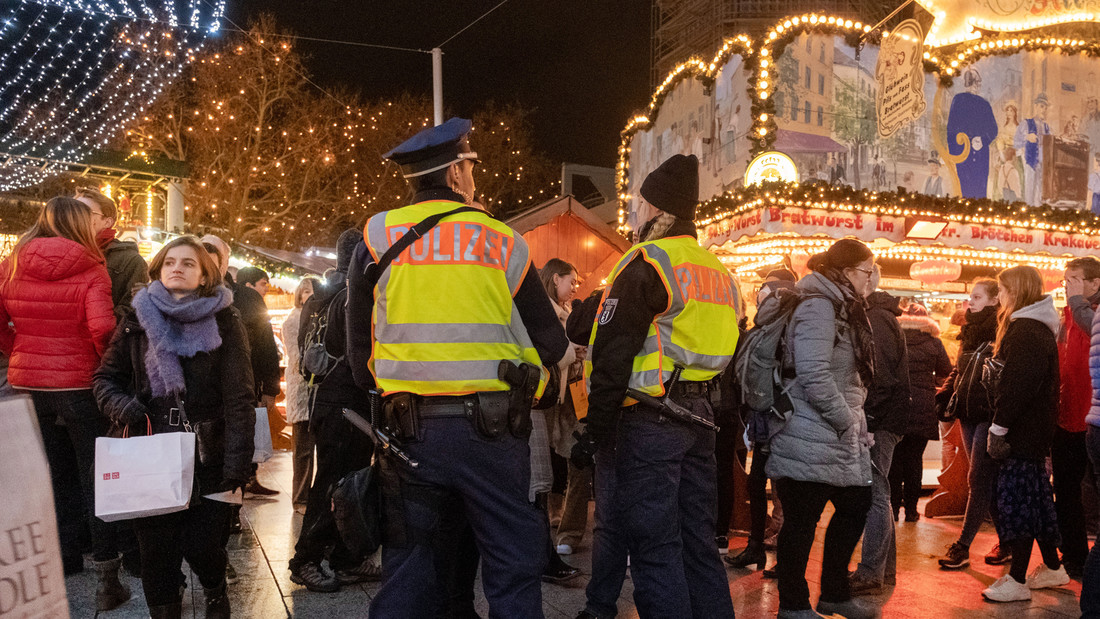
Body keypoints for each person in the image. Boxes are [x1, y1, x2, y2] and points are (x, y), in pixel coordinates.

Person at [351, 117, 570, 617]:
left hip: (409, 434)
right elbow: (550, 341)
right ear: (454, 174)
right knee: (511, 566)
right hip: (492, 435)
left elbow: (358, 353)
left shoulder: (378, 234)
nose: (475, 174)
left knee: (410, 565)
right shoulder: (502, 240)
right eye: (471, 164)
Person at [576, 153, 739, 618]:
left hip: (649, 420)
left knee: (654, 543)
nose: (634, 217)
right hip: (701, 419)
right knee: (698, 541)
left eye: (639, 206)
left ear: (656, 211)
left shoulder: (647, 261)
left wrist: (595, 429)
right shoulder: (720, 273)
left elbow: (612, 355)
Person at [93, 236, 253, 619]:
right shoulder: (137, 317)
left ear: (204, 276)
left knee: (203, 546)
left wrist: (238, 465)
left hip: (209, 455)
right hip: (150, 448)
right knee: (156, 555)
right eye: (169, 262)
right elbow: (104, 379)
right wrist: (124, 407)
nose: (176, 268)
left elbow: (240, 397)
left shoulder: (226, 320)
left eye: (187, 263)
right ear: (158, 270)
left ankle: (215, 591)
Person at [0, 196, 124, 607]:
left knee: (49, 473)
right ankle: (107, 577)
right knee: (96, 473)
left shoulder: (14, 262)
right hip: (77, 384)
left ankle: (64, 557)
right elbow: (103, 328)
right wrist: (105, 365)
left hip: (26, 382)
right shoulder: (91, 266)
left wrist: (19, 348)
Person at [767, 238, 876, 619]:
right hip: (809, 429)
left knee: (857, 503)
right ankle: (793, 605)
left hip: (835, 431)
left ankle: (834, 593)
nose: (871, 278)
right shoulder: (818, 305)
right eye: (867, 271)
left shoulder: (842, 305)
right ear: (846, 272)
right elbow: (813, 374)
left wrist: (853, 423)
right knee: (802, 519)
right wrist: (848, 421)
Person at [288, 229, 382, 593]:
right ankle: (306, 560)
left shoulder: (317, 296)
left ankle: (347, 558)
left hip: (323, 400)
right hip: (350, 403)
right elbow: (363, 355)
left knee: (341, 480)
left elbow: (304, 350)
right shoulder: (356, 295)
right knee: (337, 482)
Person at [981, 265, 1066, 602]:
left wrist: (998, 427)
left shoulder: (1027, 331)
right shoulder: (1035, 328)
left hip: (1022, 433)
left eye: (1001, 290)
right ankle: (1052, 567)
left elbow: (1017, 386)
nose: (998, 297)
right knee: (1037, 500)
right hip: (1032, 431)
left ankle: (1017, 579)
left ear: (1014, 292)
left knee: (1019, 504)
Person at [725, 268, 798, 573]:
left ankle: (783, 554)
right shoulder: (775, 321)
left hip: (778, 414)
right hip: (768, 413)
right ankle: (757, 546)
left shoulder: (786, 321)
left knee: (780, 484)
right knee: (760, 482)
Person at [937, 279, 1010, 570]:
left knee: (978, 477)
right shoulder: (968, 331)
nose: (972, 301)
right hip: (967, 411)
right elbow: (959, 370)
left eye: (977, 296)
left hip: (989, 412)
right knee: (982, 478)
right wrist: (945, 394)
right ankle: (1007, 542)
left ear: (994, 300)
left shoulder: (1003, 330)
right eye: (971, 296)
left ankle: (963, 546)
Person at [849, 266, 910, 595]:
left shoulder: (877, 317)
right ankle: (883, 571)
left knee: (875, 493)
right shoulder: (877, 314)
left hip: (880, 419)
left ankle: (871, 570)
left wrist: (867, 419)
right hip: (885, 417)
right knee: (880, 494)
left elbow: (882, 378)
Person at [1053, 258, 1100, 578]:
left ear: (1095, 284)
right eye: (1065, 278)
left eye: (1075, 278)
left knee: (1090, 490)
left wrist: (1075, 301)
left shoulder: (1089, 314)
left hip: (1091, 417)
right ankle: (1075, 557)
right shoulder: (1068, 314)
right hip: (1068, 414)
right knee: (1067, 490)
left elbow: (1089, 324)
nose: (1067, 284)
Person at [889, 305, 951, 523]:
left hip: (896, 404)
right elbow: (946, 370)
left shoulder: (894, 339)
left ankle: (894, 509)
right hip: (923, 404)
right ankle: (912, 511)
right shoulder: (934, 342)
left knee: (894, 461)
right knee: (914, 460)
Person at [233, 266, 281, 496]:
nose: (265, 290)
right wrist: (270, 388)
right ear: (249, 285)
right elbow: (266, 348)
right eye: (263, 284)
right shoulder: (250, 301)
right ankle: (246, 479)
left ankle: (248, 479)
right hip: (249, 383)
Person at [76, 187, 149, 320]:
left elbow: (130, 310)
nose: (76, 216)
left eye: (84, 211)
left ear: (107, 222)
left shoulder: (130, 261)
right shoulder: (56, 251)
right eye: (72, 210)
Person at [282, 276, 320, 508]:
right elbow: (296, 357)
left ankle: (310, 496)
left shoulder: (317, 316)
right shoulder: (294, 320)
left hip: (317, 389)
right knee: (303, 450)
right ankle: (300, 497)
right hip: (302, 388)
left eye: (313, 291)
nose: (309, 295)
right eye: (305, 291)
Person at [947, 68, 998, 199]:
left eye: (978, 84)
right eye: (975, 83)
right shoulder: (958, 100)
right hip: (963, 153)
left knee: (980, 190)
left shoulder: (985, 104)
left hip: (981, 155)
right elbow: (951, 129)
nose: (977, 86)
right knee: (964, 188)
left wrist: (982, 140)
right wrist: (953, 154)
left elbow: (993, 129)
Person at [1015, 93, 1052, 206]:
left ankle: (1038, 214)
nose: (1044, 110)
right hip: (1030, 161)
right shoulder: (1026, 123)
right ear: (1035, 106)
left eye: (1045, 108)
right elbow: (1016, 141)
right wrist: (1027, 137)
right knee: (1029, 190)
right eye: (1041, 106)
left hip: (1043, 164)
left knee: (1040, 191)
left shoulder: (1047, 127)